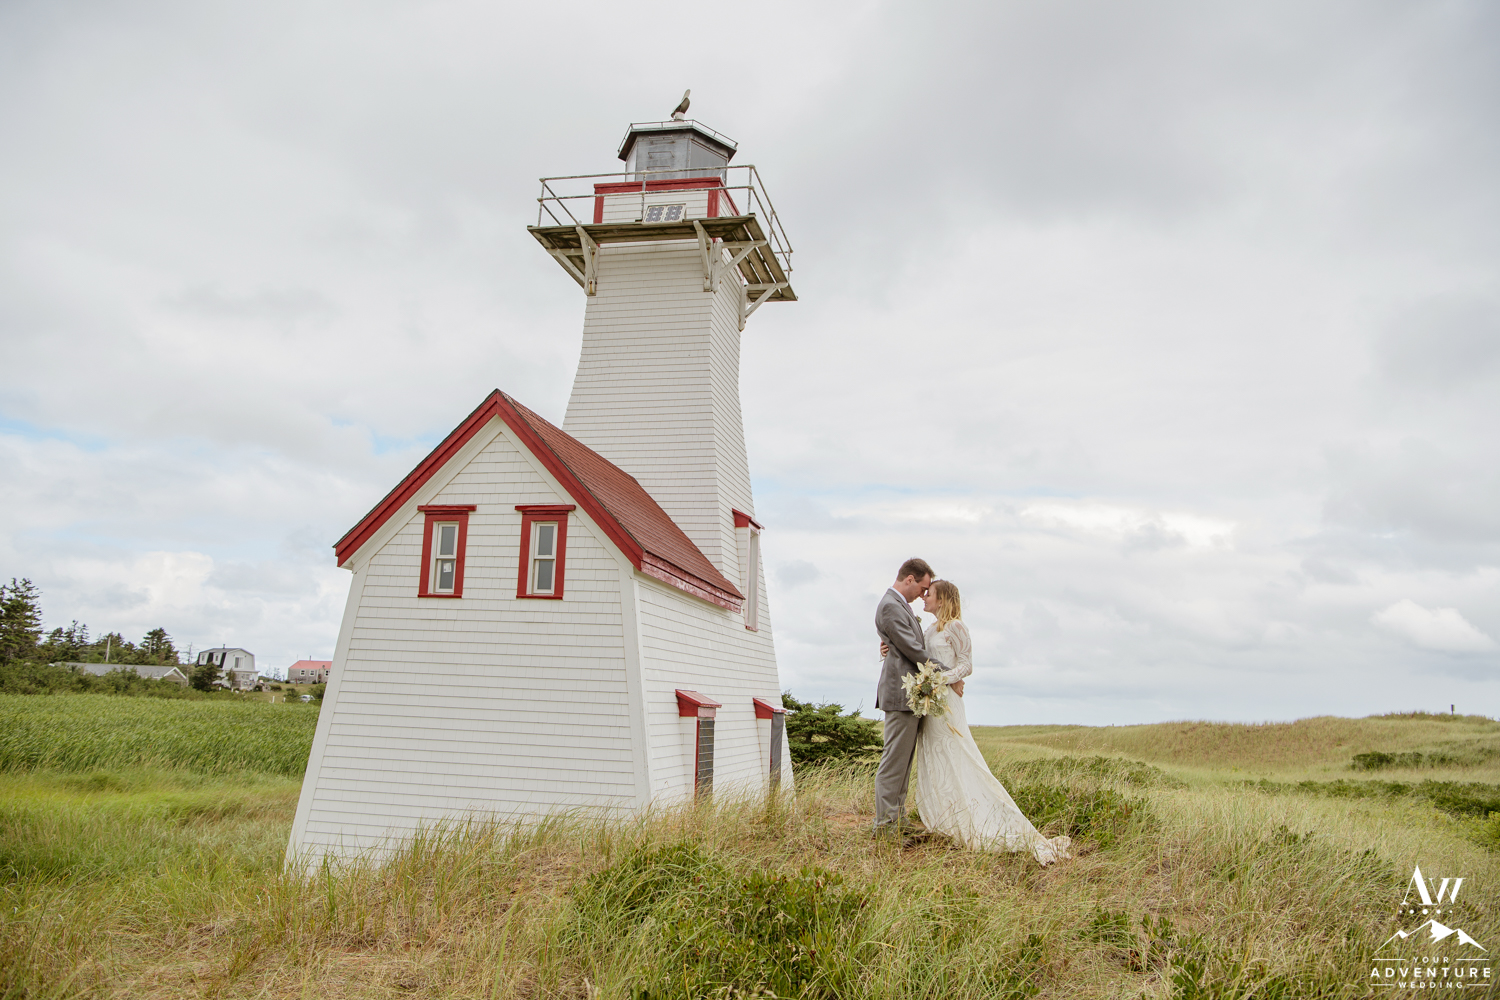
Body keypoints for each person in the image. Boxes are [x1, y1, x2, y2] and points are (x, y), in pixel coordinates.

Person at [906, 580, 1071, 864]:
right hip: (931, 702)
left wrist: (941, 679)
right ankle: (948, 819)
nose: (924, 598)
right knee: (935, 756)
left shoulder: (956, 626)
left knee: (960, 754)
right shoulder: (930, 629)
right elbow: (918, 656)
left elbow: (966, 664)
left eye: (928, 594)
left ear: (942, 599)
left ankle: (990, 820)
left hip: (946, 702)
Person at [873, 557, 940, 840]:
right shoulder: (890, 605)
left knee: (903, 762)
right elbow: (912, 649)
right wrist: (947, 673)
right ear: (909, 579)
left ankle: (896, 818)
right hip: (901, 695)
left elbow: (901, 645)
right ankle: (885, 826)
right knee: (894, 762)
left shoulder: (898, 606)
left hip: (908, 695)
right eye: (923, 588)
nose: (924, 595)